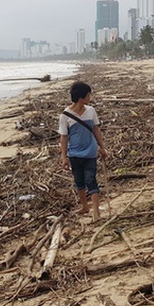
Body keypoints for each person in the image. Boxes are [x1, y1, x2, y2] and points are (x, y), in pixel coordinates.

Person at [58, 81, 108, 221]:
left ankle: (96, 211)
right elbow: (64, 137)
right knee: (79, 181)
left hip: (90, 152)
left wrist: (102, 147)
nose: (89, 97)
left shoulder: (91, 111)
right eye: (88, 95)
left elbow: (96, 129)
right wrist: (64, 157)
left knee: (91, 180)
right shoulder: (65, 116)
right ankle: (85, 206)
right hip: (74, 154)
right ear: (82, 97)